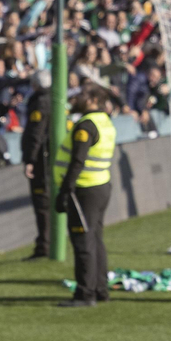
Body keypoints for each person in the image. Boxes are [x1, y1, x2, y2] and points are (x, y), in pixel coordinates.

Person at [55, 87, 118, 308]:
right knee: (95, 240)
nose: (76, 99)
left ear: (92, 100)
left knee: (83, 242)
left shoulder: (86, 125)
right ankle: (100, 289)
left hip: (84, 189)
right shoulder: (105, 122)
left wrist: (65, 190)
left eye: (81, 96)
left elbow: (78, 160)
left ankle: (85, 294)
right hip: (100, 186)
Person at [18, 73, 52, 260]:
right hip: (52, 156)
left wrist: (30, 159)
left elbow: (35, 133)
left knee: (42, 203)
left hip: (42, 159)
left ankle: (44, 245)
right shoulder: (54, 97)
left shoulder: (40, 102)